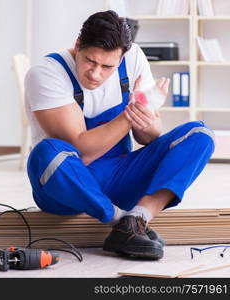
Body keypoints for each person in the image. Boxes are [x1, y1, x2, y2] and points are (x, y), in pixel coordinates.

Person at [25, 10, 215, 260]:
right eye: (90, 61)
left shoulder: (134, 58)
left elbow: (150, 137)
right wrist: (130, 114)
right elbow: (82, 151)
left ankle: (137, 219)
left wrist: (145, 115)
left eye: (107, 67)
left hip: (120, 175)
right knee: (46, 153)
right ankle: (118, 221)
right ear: (78, 45)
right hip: (69, 185)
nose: (96, 74)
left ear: (122, 57)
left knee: (200, 134)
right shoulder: (47, 73)